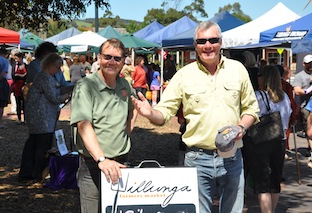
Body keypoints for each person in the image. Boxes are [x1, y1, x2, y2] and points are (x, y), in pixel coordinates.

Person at [131, 21, 259, 212]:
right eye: (202, 41)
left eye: (213, 40)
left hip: (232, 156)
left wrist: (241, 127)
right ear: (195, 45)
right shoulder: (183, 75)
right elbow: (164, 113)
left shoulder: (237, 70)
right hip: (197, 159)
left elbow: (251, 109)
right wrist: (150, 113)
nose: (208, 46)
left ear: (221, 42)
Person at [70, 38, 136, 213]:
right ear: (99, 58)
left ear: (123, 61)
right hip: (94, 165)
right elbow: (83, 124)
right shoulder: (85, 86)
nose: (112, 62)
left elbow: (132, 110)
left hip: (122, 162)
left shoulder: (125, 85)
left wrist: (126, 134)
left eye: (117, 58)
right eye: (107, 57)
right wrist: (102, 159)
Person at [245, 65, 291, 213]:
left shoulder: (257, 96)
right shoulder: (285, 97)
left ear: (263, 78)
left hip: (260, 142)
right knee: (275, 181)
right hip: (280, 141)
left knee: (262, 183)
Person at [18, 53, 71, 181]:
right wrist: (66, 96)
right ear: (49, 64)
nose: (59, 70)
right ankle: (38, 172)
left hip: (40, 116)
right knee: (42, 144)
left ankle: (30, 172)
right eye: (57, 66)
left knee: (35, 142)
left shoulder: (46, 77)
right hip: (41, 116)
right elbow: (54, 98)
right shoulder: (45, 77)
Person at [292, 54, 312, 160]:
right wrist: (307, 90)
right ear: (304, 64)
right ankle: (310, 148)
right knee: (308, 128)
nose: (311, 65)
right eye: (309, 64)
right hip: (305, 106)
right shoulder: (299, 76)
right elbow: (297, 90)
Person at [12, 52, 27, 124]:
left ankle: (25, 119)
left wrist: (18, 75)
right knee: (18, 102)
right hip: (16, 86)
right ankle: (19, 118)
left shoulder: (26, 66)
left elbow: (26, 76)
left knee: (25, 103)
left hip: (24, 86)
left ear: (21, 58)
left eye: (16, 58)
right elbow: (13, 75)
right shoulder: (14, 66)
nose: (15, 60)